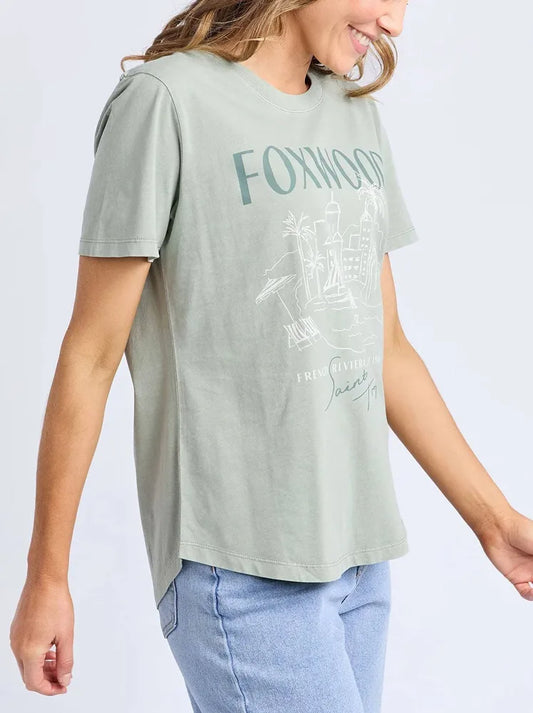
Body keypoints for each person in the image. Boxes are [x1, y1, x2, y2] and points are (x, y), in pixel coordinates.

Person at [10, 0, 533, 710]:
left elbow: (384, 346)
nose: (396, 23)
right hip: (239, 565)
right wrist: (47, 576)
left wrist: (494, 521)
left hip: (358, 559)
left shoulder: (352, 115)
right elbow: (91, 355)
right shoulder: (166, 101)